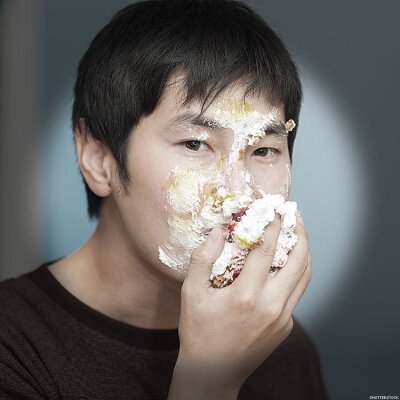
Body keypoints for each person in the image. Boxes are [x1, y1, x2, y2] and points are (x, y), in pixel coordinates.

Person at [0, 0, 330, 399]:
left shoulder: (276, 342)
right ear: (99, 159)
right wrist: (210, 376)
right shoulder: (13, 349)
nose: (238, 191)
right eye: (195, 144)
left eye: (263, 151)